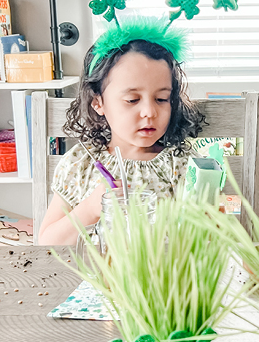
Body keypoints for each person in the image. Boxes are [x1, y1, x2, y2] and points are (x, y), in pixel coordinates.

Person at [38, 18, 204, 245]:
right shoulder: (81, 164)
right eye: (132, 99)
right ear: (98, 102)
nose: (149, 111)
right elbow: (47, 243)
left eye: (162, 99)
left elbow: (206, 241)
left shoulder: (183, 165)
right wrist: (89, 209)